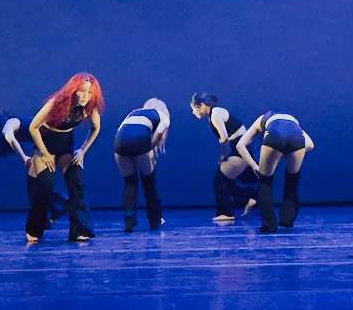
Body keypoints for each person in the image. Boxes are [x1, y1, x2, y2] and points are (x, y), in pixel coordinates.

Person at [28, 73, 103, 242]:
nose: (85, 96)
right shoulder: (56, 103)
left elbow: (96, 128)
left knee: (76, 181)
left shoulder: (89, 108)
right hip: (45, 142)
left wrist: (82, 151)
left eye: (89, 92)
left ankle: (79, 230)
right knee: (45, 185)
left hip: (65, 144)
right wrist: (45, 153)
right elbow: (33, 127)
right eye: (82, 90)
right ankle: (34, 229)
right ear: (73, 90)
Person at [0, 106, 66, 239]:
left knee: (39, 184)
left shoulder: (9, 123)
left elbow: (10, 137)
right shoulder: (13, 121)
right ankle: (49, 213)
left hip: (45, 140)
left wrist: (24, 157)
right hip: (41, 140)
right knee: (32, 182)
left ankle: (61, 204)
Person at [233, 109, 314, 233]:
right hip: (297, 137)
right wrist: (287, 152)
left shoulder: (261, 119)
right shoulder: (293, 122)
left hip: (274, 136)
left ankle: (269, 224)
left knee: (265, 183)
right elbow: (310, 145)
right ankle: (287, 220)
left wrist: (254, 166)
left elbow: (240, 145)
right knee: (292, 180)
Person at [188, 93, 260, 223]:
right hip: (238, 147)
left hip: (239, 148)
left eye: (194, 109)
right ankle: (247, 199)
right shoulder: (214, 114)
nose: (193, 112)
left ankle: (227, 213)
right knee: (226, 180)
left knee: (219, 179)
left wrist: (223, 155)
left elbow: (224, 137)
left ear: (202, 105)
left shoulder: (215, 113)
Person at [113, 97, 171, 231]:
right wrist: (149, 150)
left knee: (130, 181)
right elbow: (157, 136)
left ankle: (129, 220)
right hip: (139, 141)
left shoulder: (133, 113)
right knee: (149, 182)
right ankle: (155, 221)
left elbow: (121, 131)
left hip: (119, 142)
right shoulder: (163, 117)